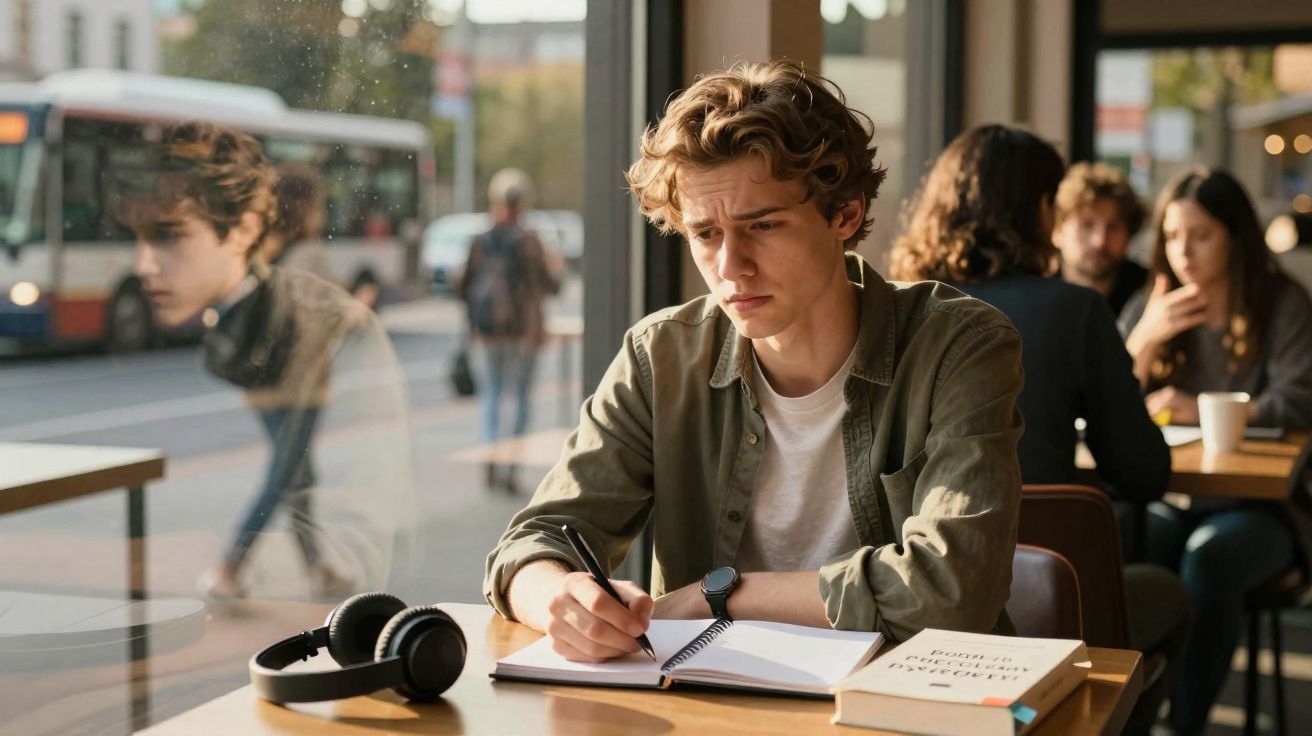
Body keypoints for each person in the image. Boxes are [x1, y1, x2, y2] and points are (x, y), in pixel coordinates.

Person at [483, 60, 1024, 663]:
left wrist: (719, 597)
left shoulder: (957, 345)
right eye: (705, 234)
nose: (730, 267)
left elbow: (953, 590)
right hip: (716, 698)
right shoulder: (660, 356)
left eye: (762, 225)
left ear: (845, 214)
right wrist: (557, 597)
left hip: (907, 696)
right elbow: (530, 544)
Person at [888, 124, 1186, 736]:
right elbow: (1144, 474)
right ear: (1041, 209)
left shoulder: (894, 313)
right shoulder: (1074, 310)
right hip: (1055, 600)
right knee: (1173, 593)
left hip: (911, 608)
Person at [117, 122, 415, 601]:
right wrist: (361, 302)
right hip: (300, 385)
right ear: (310, 208)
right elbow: (338, 320)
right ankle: (229, 567)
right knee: (284, 477)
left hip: (263, 385)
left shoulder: (267, 252)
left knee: (297, 476)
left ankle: (317, 569)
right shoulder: (310, 254)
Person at [1121, 167, 1312, 735]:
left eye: (1200, 235)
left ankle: (1186, 725)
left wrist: (1205, 408)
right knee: (1126, 540)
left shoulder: (1281, 303)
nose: (1183, 252)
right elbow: (1105, 403)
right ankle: (1129, 716)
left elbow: (1300, 398)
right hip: (1173, 499)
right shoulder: (1154, 303)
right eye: (1172, 236)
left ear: (1235, 236)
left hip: (1266, 508)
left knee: (1210, 557)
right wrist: (1144, 339)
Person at [460, 168, 563, 495]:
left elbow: (464, 286)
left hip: (489, 332)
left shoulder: (480, 240)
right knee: (519, 398)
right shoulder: (529, 241)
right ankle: (511, 467)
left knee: (491, 395)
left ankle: (492, 455)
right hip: (523, 333)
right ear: (523, 202)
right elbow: (551, 286)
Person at [1053, 162, 1150, 318]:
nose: (1100, 241)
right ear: (1057, 231)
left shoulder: (1149, 292)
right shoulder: (1032, 291)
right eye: (1087, 225)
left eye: (1113, 227)